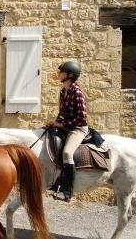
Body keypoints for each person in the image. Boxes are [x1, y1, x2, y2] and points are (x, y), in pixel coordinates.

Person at [47, 61, 88, 202]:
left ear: (70, 75)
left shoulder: (77, 91)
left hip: (77, 129)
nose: (59, 73)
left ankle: (67, 192)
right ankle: (56, 182)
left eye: (61, 71)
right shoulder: (63, 91)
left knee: (67, 152)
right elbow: (62, 113)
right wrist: (54, 123)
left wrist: (61, 123)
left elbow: (82, 118)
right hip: (65, 127)